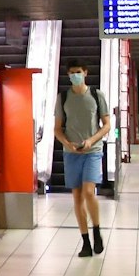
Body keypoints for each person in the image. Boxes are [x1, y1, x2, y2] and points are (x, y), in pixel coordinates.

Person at [56, 60, 112, 257]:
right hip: (71, 153)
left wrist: (91, 140)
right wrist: (67, 143)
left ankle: (96, 230)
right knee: (77, 197)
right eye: (71, 73)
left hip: (93, 150)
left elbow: (106, 125)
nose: (75, 76)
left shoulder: (97, 96)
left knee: (89, 192)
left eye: (78, 72)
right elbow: (57, 128)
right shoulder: (63, 98)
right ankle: (85, 241)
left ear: (85, 73)